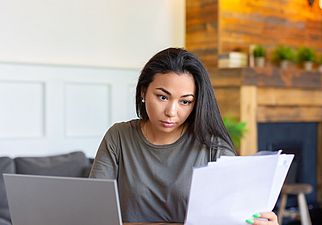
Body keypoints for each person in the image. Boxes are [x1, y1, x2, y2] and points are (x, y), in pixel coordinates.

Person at [89, 47, 278, 225]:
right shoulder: (118, 137)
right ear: (143, 92)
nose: (171, 111)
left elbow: (232, 217)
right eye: (162, 97)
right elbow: (93, 209)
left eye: (185, 101)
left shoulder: (214, 147)